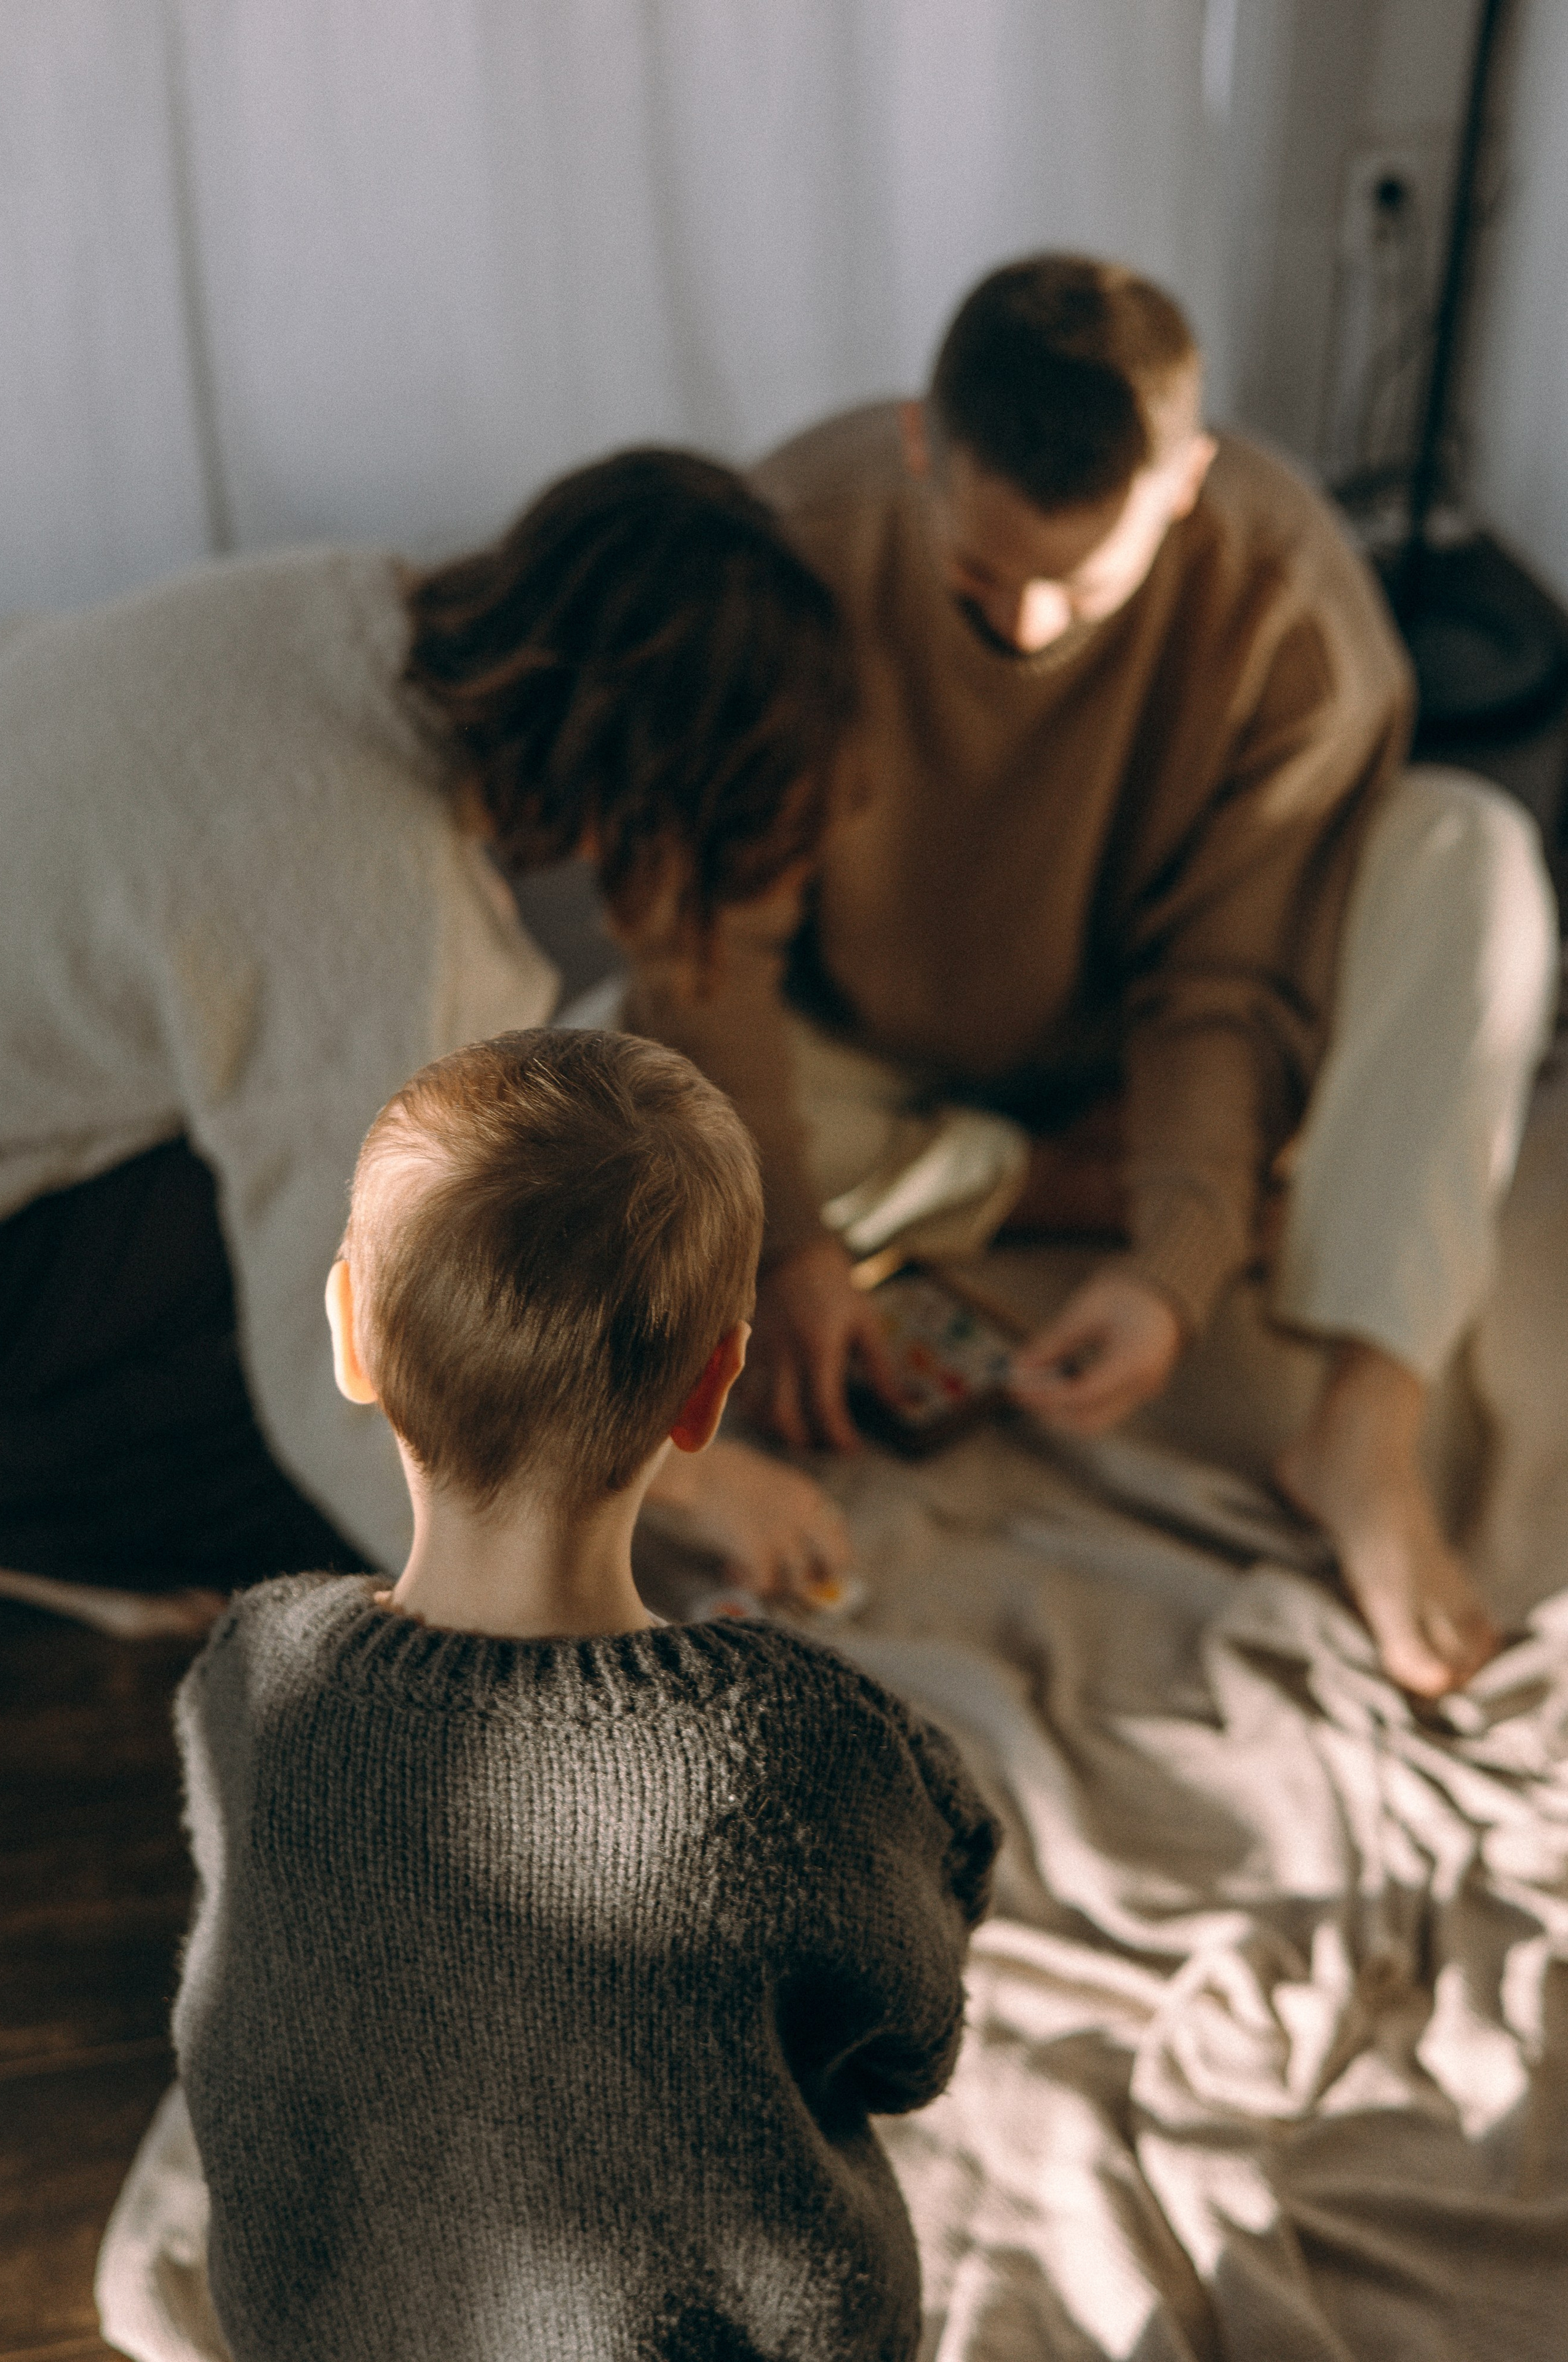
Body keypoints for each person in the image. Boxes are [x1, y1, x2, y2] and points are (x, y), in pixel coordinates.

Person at [625, 256, 1559, 1698]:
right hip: (855, 1040)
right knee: (600, 1076)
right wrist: (792, 1244)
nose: (1026, 631)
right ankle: (1050, 1184)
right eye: (980, 579)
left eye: (1081, 589)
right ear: (921, 446)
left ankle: (1361, 1434)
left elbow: (1227, 979)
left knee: (1472, 853)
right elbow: (707, 948)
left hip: (1135, 1047)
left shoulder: (1290, 599)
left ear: (1183, 483)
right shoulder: (790, 540)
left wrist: (1171, 1266)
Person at [169, 1027, 998, 2360]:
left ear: (349, 1334)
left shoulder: (251, 1670)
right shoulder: (790, 1748)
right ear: (710, 1390)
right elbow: (911, 2042)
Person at [0, 448, 856, 1616]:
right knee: (380, 1379)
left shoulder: (333, 598)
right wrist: (694, 1484)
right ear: (655, 796)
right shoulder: (370, 910)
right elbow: (351, 1400)